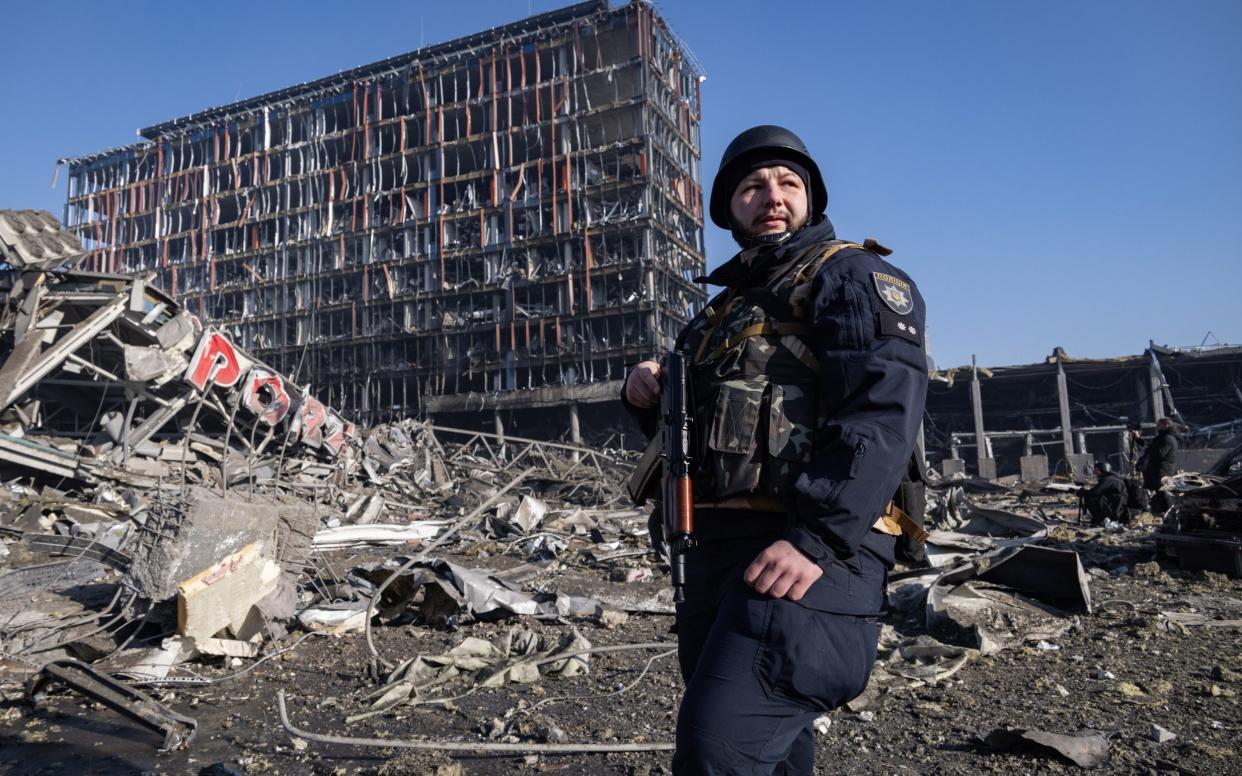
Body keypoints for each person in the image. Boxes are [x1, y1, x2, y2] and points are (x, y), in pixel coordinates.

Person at [622, 125, 928, 775]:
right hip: (718, 554)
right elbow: (695, 445)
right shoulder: (717, 316)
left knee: (717, 753)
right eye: (752, 185)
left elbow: (880, 417)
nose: (772, 195)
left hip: (810, 555)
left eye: (789, 183)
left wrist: (815, 538)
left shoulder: (851, 275)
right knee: (773, 752)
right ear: (728, 206)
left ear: (811, 199)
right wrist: (647, 398)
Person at [1134, 417, 1180, 513]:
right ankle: (1161, 513)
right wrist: (1139, 440)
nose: (1157, 427)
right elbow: (1152, 449)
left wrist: (1148, 451)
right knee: (1159, 494)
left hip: (1162, 471)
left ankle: (1169, 513)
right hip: (1158, 470)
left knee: (1163, 493)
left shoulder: (1167, 439)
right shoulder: (1162, 438)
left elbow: (1158, 453)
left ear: (1165, 425)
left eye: (1159, 425)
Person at [1081, 461, 1128, 525]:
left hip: (1115, 506)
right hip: (1117, 504)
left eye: (1096, 470)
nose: (1094, 472)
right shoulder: (1113, 478)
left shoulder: (1108, 479)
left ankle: (1099, 519)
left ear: (1101, 470)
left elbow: (1095, 492)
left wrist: (1083, 492)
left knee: (1090, 498)